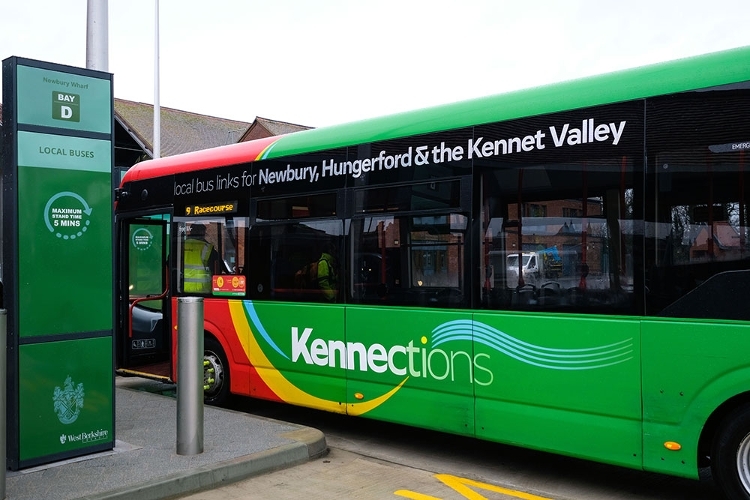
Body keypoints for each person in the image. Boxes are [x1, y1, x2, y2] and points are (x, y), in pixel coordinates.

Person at [182, 223, 219, 294]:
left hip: (181, 288)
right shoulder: (207, 248)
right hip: (203, 290)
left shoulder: (180, 245)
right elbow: (217, 266)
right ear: (202, 232)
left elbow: (169, 264)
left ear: (191, 232)